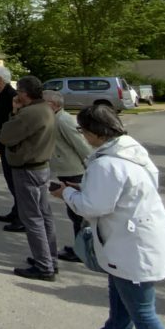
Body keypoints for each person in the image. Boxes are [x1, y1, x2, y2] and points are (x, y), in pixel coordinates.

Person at [51, 105, 165, 329]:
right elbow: (119, 194)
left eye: (82, 130)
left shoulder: (107, 164)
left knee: (143, 312)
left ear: (95, 132)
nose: (83, 136)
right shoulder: (130, 151)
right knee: (121, 300)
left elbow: (92, 207)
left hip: (132, 247)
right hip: (131, 240)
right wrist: (83, 191)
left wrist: (66, 192)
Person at [0, 75, 58, 281]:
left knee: (32, 218)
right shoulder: (45, 109)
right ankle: (50, 259)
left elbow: (4, 135)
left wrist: (14, 112)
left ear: (24, 93)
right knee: (44, 215)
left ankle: (44, 266)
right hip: (41, 167)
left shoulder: (29, 113)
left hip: (27, 169)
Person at [44, 89, 93, 262]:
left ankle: (83, 250)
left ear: (54, 105)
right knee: (74, 211)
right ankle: (81, 247)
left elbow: (80, 144)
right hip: (66, 170)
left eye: (44, 102)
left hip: (74, 171)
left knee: (78, 212)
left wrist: (91, 164)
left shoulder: (63, 120)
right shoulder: (55, 118)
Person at [0, 66, 23, 231]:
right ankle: (17, 210)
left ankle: (21, 216)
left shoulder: (11, 96)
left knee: (14, 181)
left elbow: (14, 122)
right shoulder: (4, 94)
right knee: (10, 181)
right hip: (3, 143)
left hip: (9, 145)